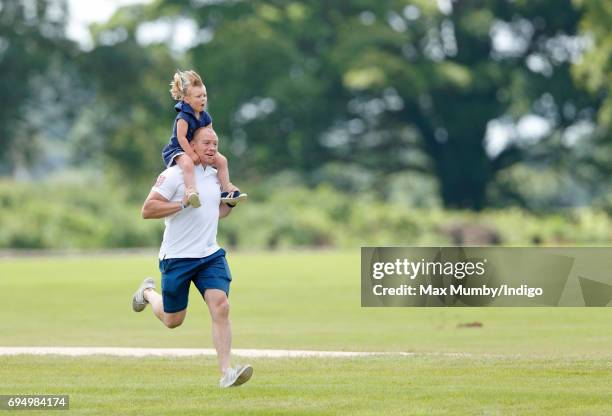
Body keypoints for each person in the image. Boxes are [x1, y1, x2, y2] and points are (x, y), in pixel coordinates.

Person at [133, 127, 253, 388]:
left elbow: (216, 213)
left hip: (209, 255)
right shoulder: (174, 175)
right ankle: (147, 294)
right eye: (206, 143)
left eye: (216, 143)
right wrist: (184, 203)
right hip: (177, 258)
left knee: (221, 305)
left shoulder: (214, 176)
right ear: (191, 146)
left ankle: (227, 373)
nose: (212, 148)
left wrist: (229, 203)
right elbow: (147, 209)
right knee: (172, 320)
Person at [162, 69, 247, 208]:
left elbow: (211, 134)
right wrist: (191, 154)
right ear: (187, 99)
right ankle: (191, 190)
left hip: (198, 146)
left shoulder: (205, 116)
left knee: (222, 160)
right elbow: (181, 137)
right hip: (179, 148)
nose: (203, 99)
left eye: (204, 96)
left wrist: (214, 151)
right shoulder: (183, 117)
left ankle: (226, 189)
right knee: (188, 164)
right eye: (198, 96)